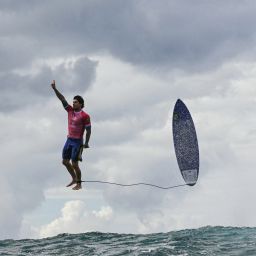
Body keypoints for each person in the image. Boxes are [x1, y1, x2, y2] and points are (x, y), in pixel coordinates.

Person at [51, 80, 91, 190]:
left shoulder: (85, 116)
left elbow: (88, 130)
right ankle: (74, 178)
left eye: (76, 102)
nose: (73, 104)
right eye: (73, 102)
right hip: (69, 140)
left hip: (77, 142)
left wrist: (86, 143)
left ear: (81, 104)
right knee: (64, 161)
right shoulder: (69, 110)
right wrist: (55, 89)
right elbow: (62, 99)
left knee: (75, 164)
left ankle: (79, 184)